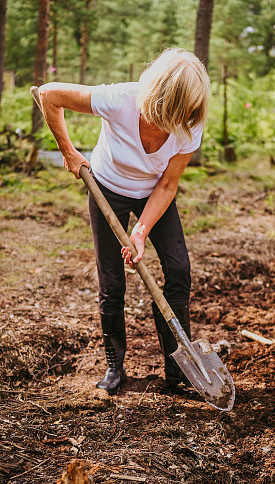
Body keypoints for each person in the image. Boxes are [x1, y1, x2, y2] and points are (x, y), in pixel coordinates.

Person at [37, 48, 210, 396]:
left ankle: (178, 372)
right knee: (112, 282)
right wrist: (69, 152)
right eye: (180, 110)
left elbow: (168, 184)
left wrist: (142, 230)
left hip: (154, 194)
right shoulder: (121, 99)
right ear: (162, 99)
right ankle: (115, 366)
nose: (187, 118)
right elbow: (48, 94)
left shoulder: (191, 121)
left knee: (178, 271)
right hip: (108, 189)